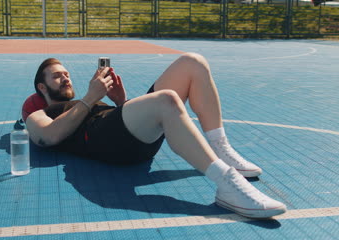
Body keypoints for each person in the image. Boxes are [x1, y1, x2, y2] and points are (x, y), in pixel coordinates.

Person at [22, 54, 287, 219]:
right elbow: (48, 137)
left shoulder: (85, 103)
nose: (66, 78)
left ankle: (221, 149)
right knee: (167, 100)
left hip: (120, 131)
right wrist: (92, 98)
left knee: (192, 63)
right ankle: (227, 184)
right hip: (104, 141)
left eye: (67, 74)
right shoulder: (39, 113)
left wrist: (120, 102)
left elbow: (122, 124)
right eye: (57, 76)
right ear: (41, 87)